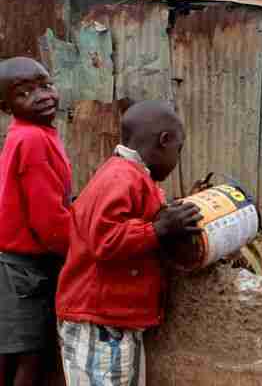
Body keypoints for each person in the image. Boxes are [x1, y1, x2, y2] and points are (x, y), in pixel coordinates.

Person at [56, 101, 202, 386]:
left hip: (114, 319)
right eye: (179, 150)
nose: (178, 159)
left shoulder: (134, 178)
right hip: (98, 321)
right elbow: (105, 240)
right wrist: (159, 229)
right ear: (165, 140)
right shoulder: (120, 178)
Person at [0, 57, 72, 386]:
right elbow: (47, 220)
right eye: (25, 92)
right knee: (29, 356)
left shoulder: (35, 133)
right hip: (23, 267)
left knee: (17, 353)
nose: (42, 96)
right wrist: (80, 247)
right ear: (5, 105)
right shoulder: (31, 140)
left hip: (18, 262)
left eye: (45, 85)